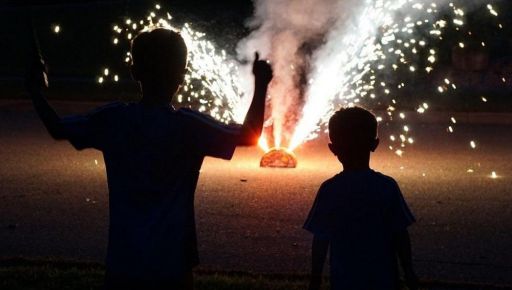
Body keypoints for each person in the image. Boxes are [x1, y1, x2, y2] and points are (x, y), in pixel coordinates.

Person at [26, 28, 273, 290]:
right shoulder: (189, 127)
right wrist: (261, 85)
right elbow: (250, 135)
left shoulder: (114, 119)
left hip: (124, 261)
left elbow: (57, 128)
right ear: (182, 76)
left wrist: (35, 92)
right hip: (172, 264)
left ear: (134, 72)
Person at [304, 107, 418, 290]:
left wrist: (315, 278)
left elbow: (320, 239)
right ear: (375, 144)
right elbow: (400, 234)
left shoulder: (330, 189)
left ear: (333, 149)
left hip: (344, 280)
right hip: (384, 278)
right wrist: (409, 271)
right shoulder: (387, 186)